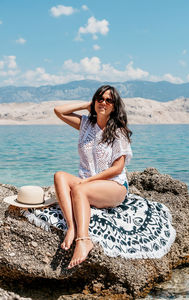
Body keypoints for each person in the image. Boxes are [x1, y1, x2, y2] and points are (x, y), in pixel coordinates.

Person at [54, 85, 132, 269]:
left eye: (108, 100)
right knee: (60, 176)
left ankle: (83, 240)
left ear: (114, 106)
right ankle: (72, 227)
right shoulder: (85, 124)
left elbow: (117, 168)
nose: (103, 102)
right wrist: (87, 105)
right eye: (100, 98)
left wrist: (87, 181)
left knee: (80, 189)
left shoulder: (118, 131)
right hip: (87, 185)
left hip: (113, 186)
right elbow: (58, 111)